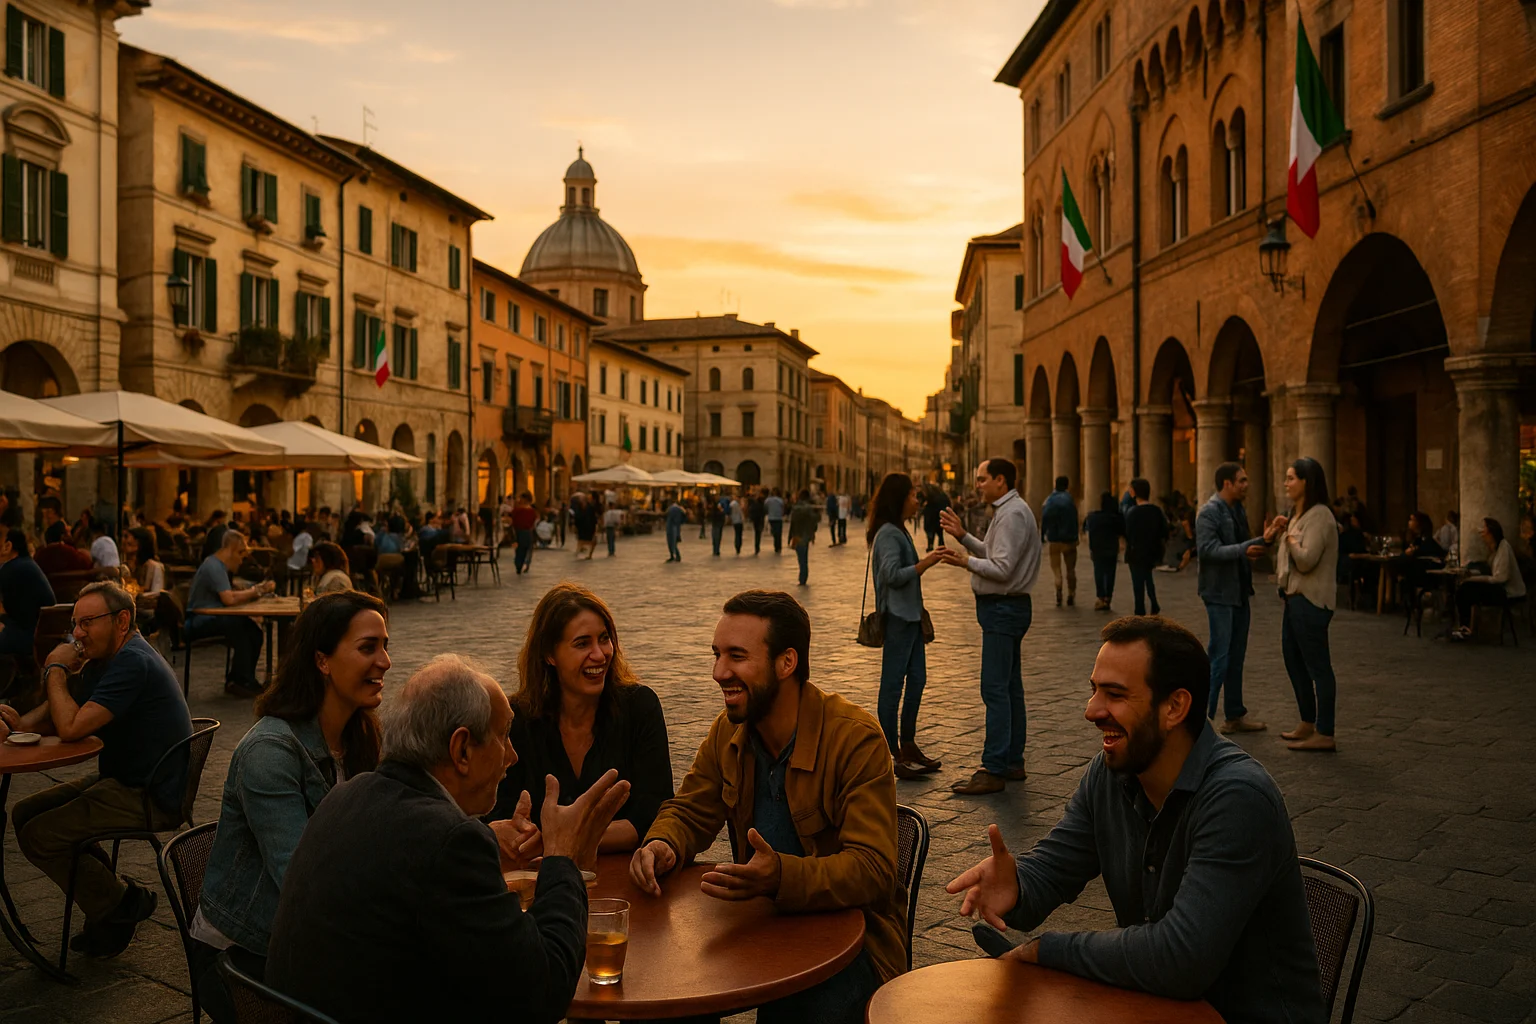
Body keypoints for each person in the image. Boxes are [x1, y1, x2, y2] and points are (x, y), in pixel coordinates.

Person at [944, 616, 1325, 1024]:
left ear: (1175, 707)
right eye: (1094, 691)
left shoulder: (1238, 798)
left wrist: (1046, 950)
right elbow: (1054, 868)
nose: (1092, 711)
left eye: (1115, 695)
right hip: (1150, 1006)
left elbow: (1181, 959)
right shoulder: (1110, 774)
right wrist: (1017, 884)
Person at [265, 654, 630, 1024]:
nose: (513, 756)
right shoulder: (449, 842)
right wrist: (562, 856)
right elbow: (541, 994)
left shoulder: (346, 796)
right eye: (504, 736)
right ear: (462, 751)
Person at [630, 591, 903, 1024]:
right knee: (667, 1001)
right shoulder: (729, 731)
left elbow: (874, 871)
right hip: (759, 929)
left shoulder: (855, 738)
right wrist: (664, 842)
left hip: (853, 945)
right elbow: (689, 810)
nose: (719, 672)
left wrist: (781, 877)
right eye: (717, 655)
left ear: (786, 662)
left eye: (737, 656)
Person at [191, 592, 389, 1022]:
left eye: (385, 646)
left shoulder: (360, 733)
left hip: (308, 930)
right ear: (322, 661)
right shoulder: (271, 752)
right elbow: (303, 880)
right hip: (242, 957)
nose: (386, 661)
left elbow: (392, 821)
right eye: (368, 647)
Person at [1, 582, 192, 958]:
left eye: (87, 622)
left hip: (150, 793)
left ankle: (120, 903)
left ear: (122, 620)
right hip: (125, 781)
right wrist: (17, 724)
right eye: (75, 624)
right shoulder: (109, 661)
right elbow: (63, 716)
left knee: (41, 834)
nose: (77, 634)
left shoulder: (133, 662)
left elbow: (71, 728)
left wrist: (54, 669)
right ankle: (112, 905)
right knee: (24, 813)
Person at [489, 583, 673, 858]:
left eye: (604, 638)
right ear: (549, 654)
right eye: (582, 643)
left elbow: (652, 818)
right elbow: (498, 815)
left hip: (622, 885)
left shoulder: (639, 707)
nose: (600, 654)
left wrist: (557, 841)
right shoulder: (517, 719)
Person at [935, 458, 1041, 795]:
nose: (977, 484)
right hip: (1010, 607)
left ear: (1000, 480)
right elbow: (995, 554)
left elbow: (1002, 569)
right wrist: (964, 537)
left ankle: (994, 767)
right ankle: (1012, 760)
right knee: (1010, 688)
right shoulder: (1012, 510)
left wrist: (964, 561)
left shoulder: (1011, 515)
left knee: (995, 689)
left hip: (1003, 608)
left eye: (982, 479)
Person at [868, 474, 944, 780]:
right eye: (914, 496)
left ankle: (909, 744)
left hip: (911, 616)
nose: (918, 501)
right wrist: (924, 564)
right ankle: (892, 752)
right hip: (898, 617)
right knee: (892, 685)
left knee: (917, 680)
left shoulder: (900, 530)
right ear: (899, 499)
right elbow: (891, 575)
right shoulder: (888, 533)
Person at [1196, 463, 1270, 734]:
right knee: (1220, 656)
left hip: (1239, 592)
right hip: (1218, 593)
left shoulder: (1236, 509)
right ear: (1227, 483)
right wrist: (1244, 549)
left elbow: (1242, 545)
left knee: (1236, 656)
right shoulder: (1209, 512)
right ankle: (1204, 720)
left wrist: (1267, 538)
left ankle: (1234, 715)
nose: (1246, 485)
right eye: (1242, 480)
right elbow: (1207, 550)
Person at [1273, 457, 1340, 752]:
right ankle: (1307, 721)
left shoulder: (1321, 516)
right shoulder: (1297, 514)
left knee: (1318, 667)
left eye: (1291, 478)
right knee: (1293, 659)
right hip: (1293, 599)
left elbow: (1306, 559)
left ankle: (1325, 732)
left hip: (1311, 601)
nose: (1286, 483)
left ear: (1306, 482)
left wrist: (1289, 539)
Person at [185, 531, 275, 699]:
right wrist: (256, 591)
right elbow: (228, 598)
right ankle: (241, 681)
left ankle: (241, 679)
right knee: (239, 626)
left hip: (211, 616)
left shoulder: (217, 566)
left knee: (253, 631)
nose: (241, 561)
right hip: (198, 621)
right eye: (241, 555)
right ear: (233, 550)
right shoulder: (213, 565)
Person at [1451, 518, 1527, 642]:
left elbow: (1500, 578)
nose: (1481, 533)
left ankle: (1465, 629)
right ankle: (1465, 627)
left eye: (1484, 530)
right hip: (1500, 588)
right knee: (1464, 589)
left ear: (1491, 532)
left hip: (1508, 592)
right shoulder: (1495, 551)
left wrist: (1474, 579)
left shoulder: (1504, 548)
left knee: (1466, 590)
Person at [0, 529, 56, 661]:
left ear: (8, 546)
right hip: (40, 636)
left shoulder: (11, 568)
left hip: (27, 638)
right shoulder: (26, 564)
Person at [1123, 478, 1167, 615]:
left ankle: (1139, 608)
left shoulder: (1132, 513)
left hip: (1136, 552)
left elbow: (1128, 533)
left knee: (1138, 582)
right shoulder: (1156, 511)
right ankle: (1154, 602)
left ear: (1135, 492)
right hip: (1152, 550)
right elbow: (1164, 531)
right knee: (1148, 577)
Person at [1040, 476, 1079, 608]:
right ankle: (1071, 594)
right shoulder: (1070, 500)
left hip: (1054, 540)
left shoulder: (1049, 500)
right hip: (1069, 540)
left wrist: (1042, 535)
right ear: (1067, 485)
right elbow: (1075, 519)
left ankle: (1058, 589)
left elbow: (1044, 518)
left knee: (1056, 569)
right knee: (1071, 569)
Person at [1082, 493, 1124, 612]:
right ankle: (1108, 597)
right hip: (1111, 549)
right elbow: (1122, 531)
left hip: (1097, 549)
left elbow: (1085, 528)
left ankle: (1100, 597)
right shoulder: (1115, 518)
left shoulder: (1093, 517)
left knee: (1099, 572)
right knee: (1110, 573)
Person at [788, 488, 819, 586]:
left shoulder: (796, 508)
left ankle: (802, 578)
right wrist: (813, 533)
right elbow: (815, 521)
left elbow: (792, 524)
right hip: (806, 536)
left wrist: (789, 537)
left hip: (797, 535)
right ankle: (803, 577)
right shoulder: (810, 508)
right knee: (804, 559)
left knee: (801, 559)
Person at [124, 527, 166, 597]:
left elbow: (157, 593)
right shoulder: (125, 566)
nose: (124, 541)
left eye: (127, 537)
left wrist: (137, 596)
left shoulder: (155, 567)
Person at [510, 492, 538, 575]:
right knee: (524, 549)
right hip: (525, 532)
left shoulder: (519, 510)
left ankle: (520, 565)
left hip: (520, 532)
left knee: (520, 549)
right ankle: (523, 564)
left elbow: (513, 519)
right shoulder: (531, 511)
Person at [920, 486, 948, 553]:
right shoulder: (942, 496)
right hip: (939, 517)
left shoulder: (931, 499)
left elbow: (928, 509)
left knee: (930, 532)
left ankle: (931, 545)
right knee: (939, 533)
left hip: (932, 518)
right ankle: (941, 546)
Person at [571, 494, 599, 560]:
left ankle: (589, 555)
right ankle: (578, 552)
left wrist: (596, 526)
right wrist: (575, 526)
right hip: (581, 527)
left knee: (592, 541)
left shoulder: (590, 508)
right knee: (581, 540)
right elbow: (577, 518)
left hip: (590, 527)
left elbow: (593, 518)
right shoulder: (578, 508)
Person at [664, 499, 686, 563]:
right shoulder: (679, 509)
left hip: (672, 527)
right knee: (674, 542)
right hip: (675, 527)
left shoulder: (673, 509)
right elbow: (681, 520)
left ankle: (674, 556)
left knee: (671, 542)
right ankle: (675, 556)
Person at [765, 488, 786, 553]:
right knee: (778, 533)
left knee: (774, 533)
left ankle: (776, 546)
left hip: (771, 518)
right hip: (778, 518)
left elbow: (765, 507)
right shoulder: (780, 500)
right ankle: (778, 547)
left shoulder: (768, 500)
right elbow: (783, 508)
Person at [748, 488, 767, 555]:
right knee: (758, 534)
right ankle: (757, 547)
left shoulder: (754, 504)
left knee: (757, 534)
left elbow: (751, 511)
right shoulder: (762, 505)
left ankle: (757, 547)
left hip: (756, 521)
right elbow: (764, 512)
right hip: (760, 521)